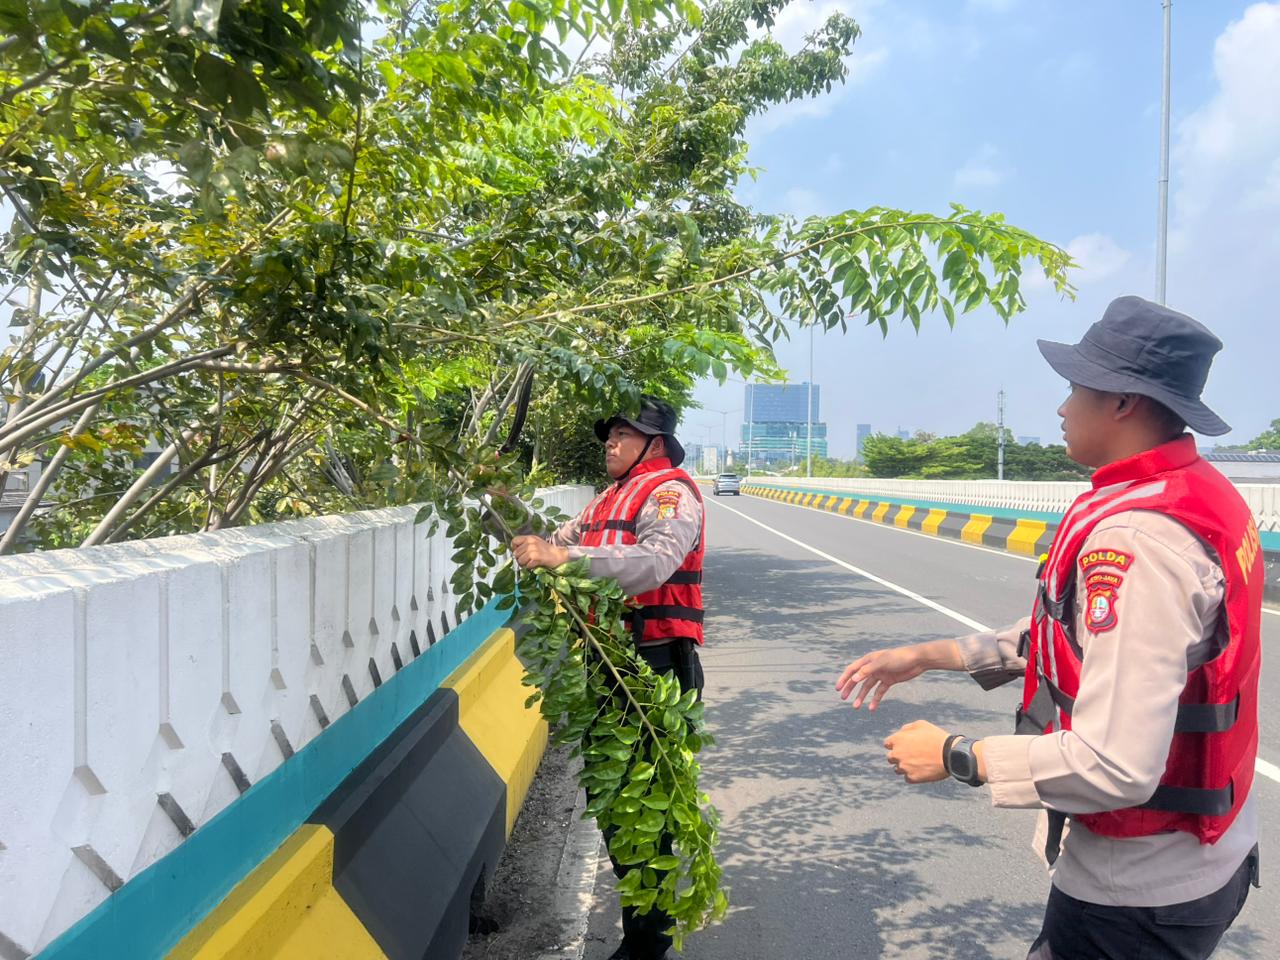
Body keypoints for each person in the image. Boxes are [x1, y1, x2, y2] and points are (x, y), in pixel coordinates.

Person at [836, 296, 1262, 960]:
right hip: (1199, 859)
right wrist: (928, 654)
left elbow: (1115, 766)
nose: (1062, 407)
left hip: (1138, 895)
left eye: (1075, 387)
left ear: (1124, 402)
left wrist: (957, 756)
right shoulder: (1197, 493)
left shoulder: (1140, 540)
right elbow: (1065, 639)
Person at [513, 395, 705, 960]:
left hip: (656, 664)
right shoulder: (608, 498)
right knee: (613, 797)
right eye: (611, 434)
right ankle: (640, 933)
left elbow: (653, 563)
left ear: (656, 443)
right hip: (610, 661)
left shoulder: (670, 491)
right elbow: (554, 541)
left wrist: (562, 560)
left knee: (645, 803)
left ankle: (648, 944)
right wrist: (504, 503)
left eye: (623, 434)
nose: (609, 442)